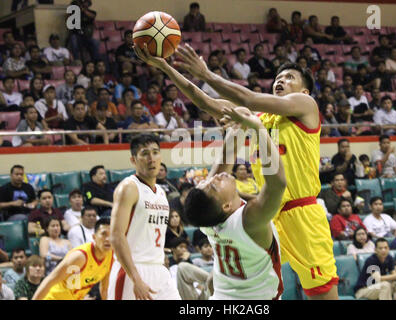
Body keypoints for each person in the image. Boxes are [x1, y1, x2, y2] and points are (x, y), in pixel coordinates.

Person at [135, 43, 338, 299]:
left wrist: (207, 74)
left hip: (302, 213)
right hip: (268, 214)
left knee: (321, 294)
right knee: (242, 282)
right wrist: (165, 67)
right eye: (278, 77)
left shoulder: (306, 105)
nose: (281, 80)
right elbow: (206, 102)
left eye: (289, 77)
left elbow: (248, 98)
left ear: (305, 90)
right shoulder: (258, 118)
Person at [183, 106, 286, 300]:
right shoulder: (249, 220)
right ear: (226, 206)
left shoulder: (209, 220)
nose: (215, 177)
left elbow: (225, 157)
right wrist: (257, 128)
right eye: (213, 185)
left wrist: (240, 124)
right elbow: (277, 183)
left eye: (207, 180)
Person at [108, 134, 181, 300]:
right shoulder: (129, 188)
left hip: (158, 269)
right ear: (133, 160)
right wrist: (136, 278)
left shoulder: (161, 192)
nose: (151, 158)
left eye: (155, 152)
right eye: (145, 153)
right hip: (132, 270)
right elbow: (116, 236)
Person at [32, 219, 112, 300]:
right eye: (104, 234)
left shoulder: (111, 257)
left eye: (111, 235)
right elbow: (50, 280)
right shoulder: (80, 257)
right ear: (94, 237)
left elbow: (104, 289)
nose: (108, 239)